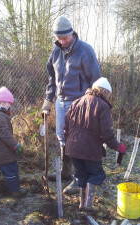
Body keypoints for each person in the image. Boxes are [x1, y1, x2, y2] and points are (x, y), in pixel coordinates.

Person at [41, 16, 101, 194]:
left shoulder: (85, 51)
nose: (62, 41)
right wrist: (47, 102)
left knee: (77, 141)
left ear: (71, 34)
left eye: (65, 38)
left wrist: (92, 105)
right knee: (62, 137)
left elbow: (96, 81)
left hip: (79, 103)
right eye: (59, 38)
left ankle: (78, 178)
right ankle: (65, 171)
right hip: (60, 102)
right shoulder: (56, 52)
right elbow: (52, 79)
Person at [64, 77, 127, 211]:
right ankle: (88, 205)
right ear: (104, 91)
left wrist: (68, 143)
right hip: (90, 149)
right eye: (108, 94)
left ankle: (82, 204)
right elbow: (107, 134)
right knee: (97, 173)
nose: (108, 98)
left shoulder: (76, 102)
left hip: (72, 147)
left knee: (81, 174)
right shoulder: (103, 106)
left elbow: (66, 126)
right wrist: (117, 146)